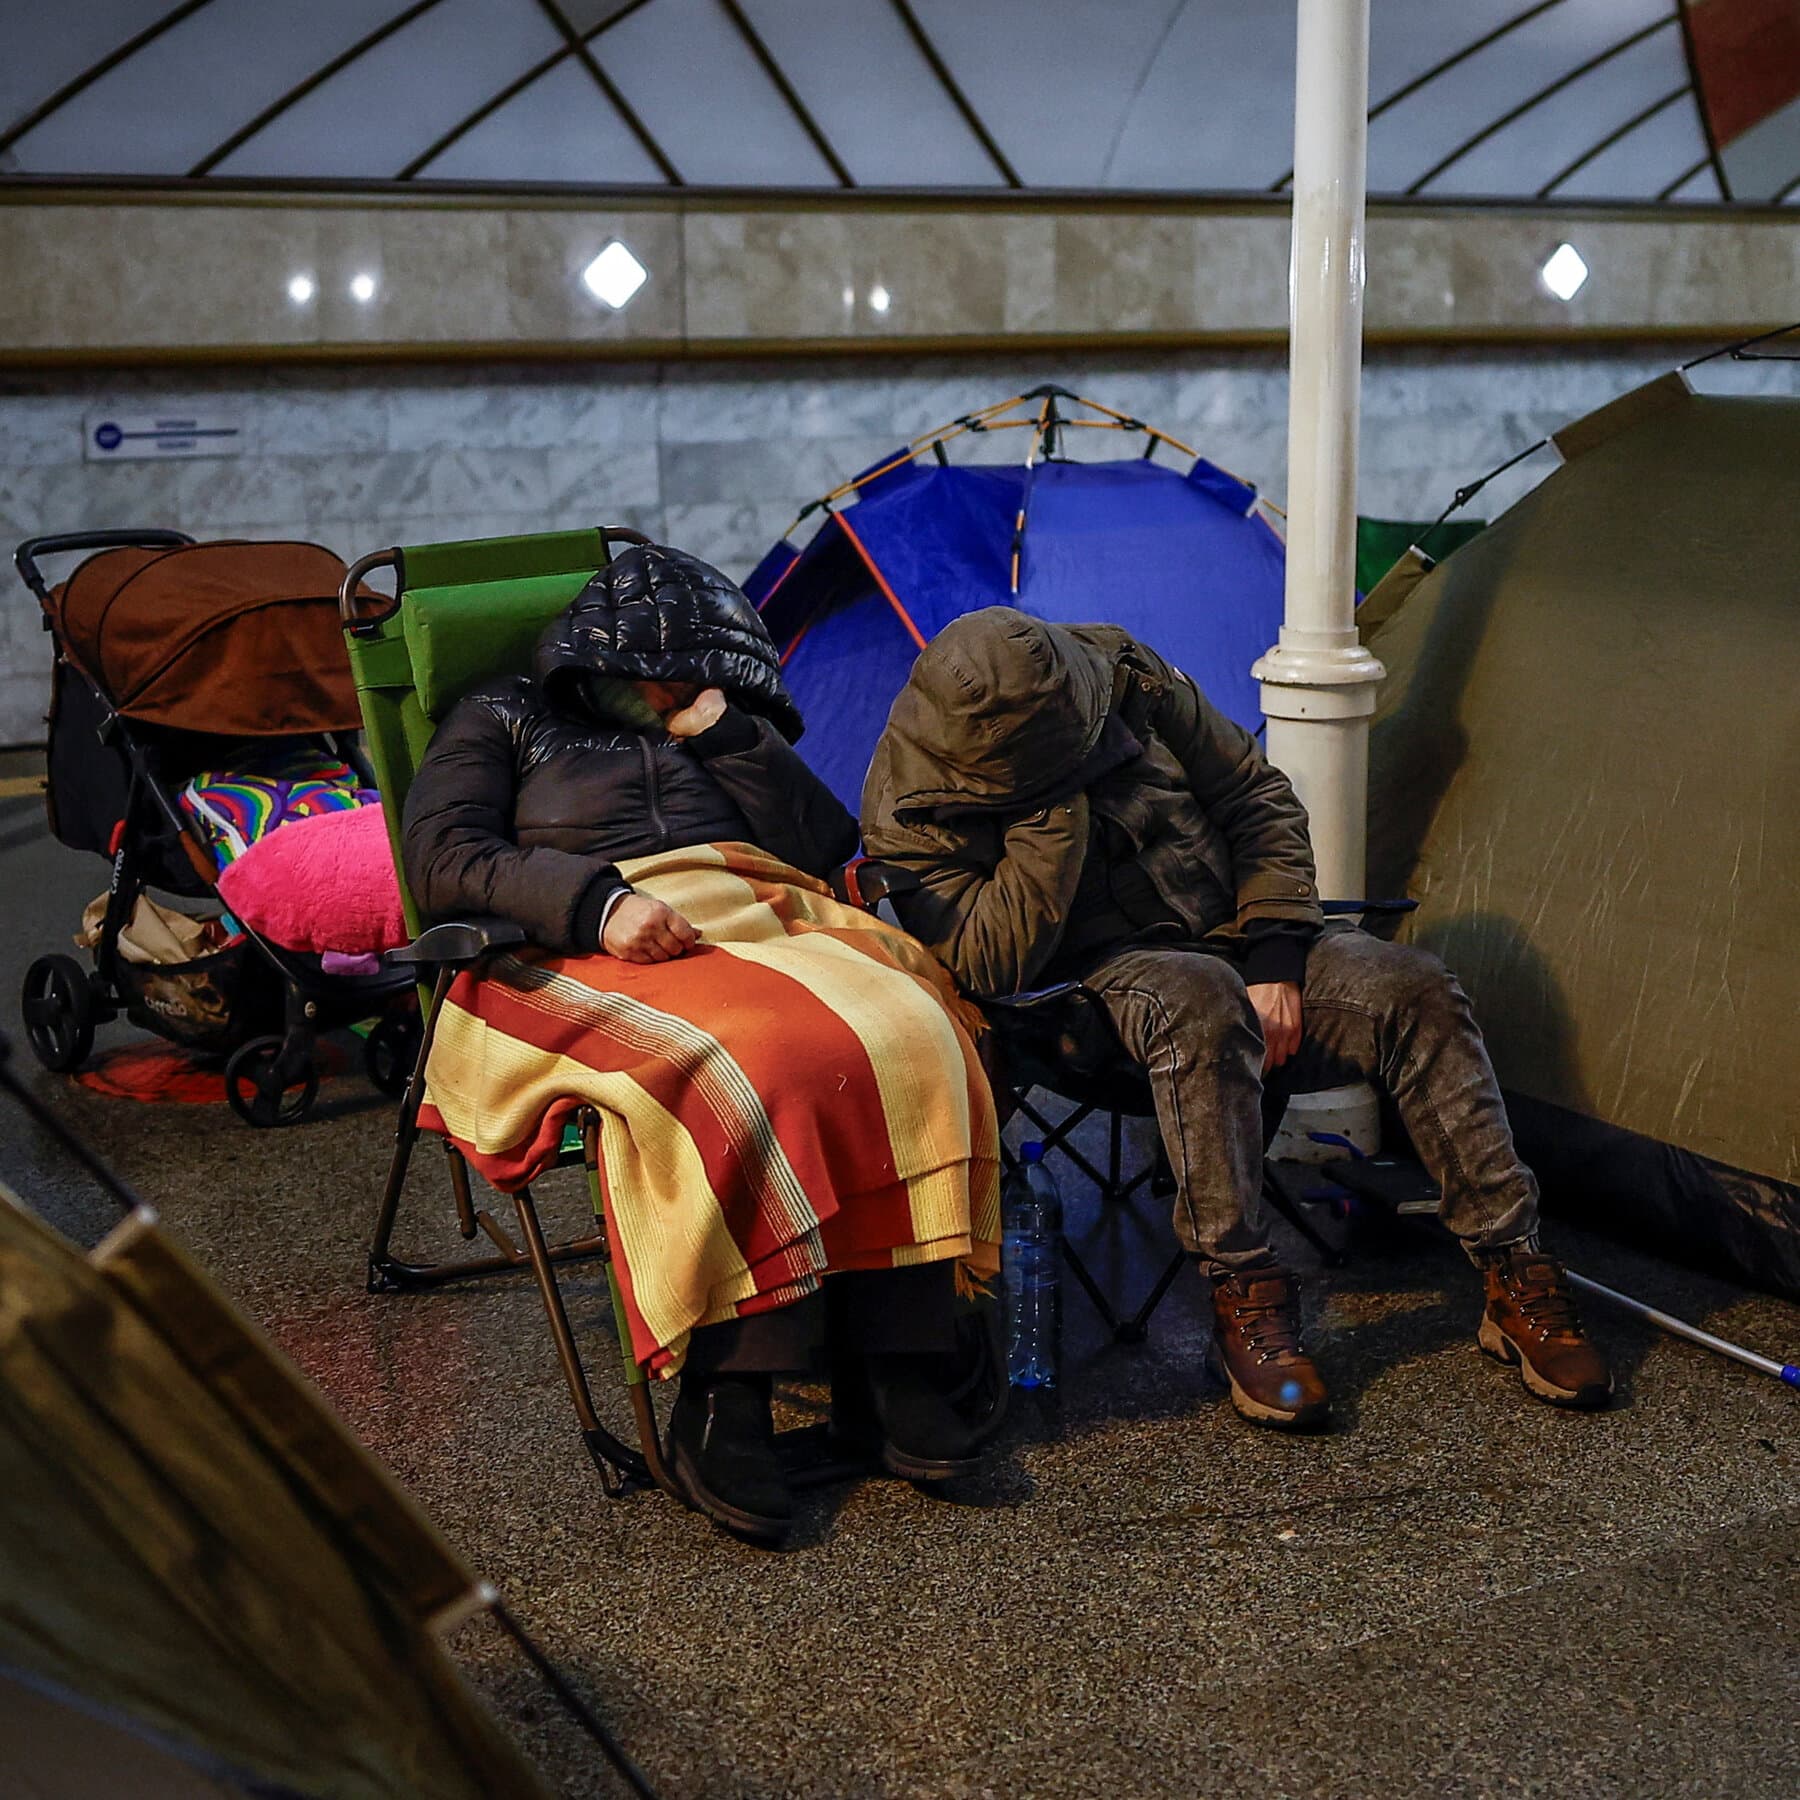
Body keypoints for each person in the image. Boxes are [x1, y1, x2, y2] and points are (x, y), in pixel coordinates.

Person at [860, 605, 1610, 1430]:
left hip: (1239, 939)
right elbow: (992, 964)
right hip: (1088, 996)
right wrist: (1052, 806)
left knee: (1417, 988)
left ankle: (1513, 1268)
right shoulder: (909, 807)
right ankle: (1244, 1296)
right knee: (1198, 1002)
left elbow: (1256, 800)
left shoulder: (1121, 674)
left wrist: (1277, 956)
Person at [403, 545, 1000, 1542]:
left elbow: (817, 847)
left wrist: (727, 736)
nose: (681, 686)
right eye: (665, 671)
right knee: (746, 1064)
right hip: (571, 946)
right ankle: (729, 1390)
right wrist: (595, 903)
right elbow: (443, 859)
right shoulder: (501, 714)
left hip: (756, 920)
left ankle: (899, 1350)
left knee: (914, 1030)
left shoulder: (723, 715)